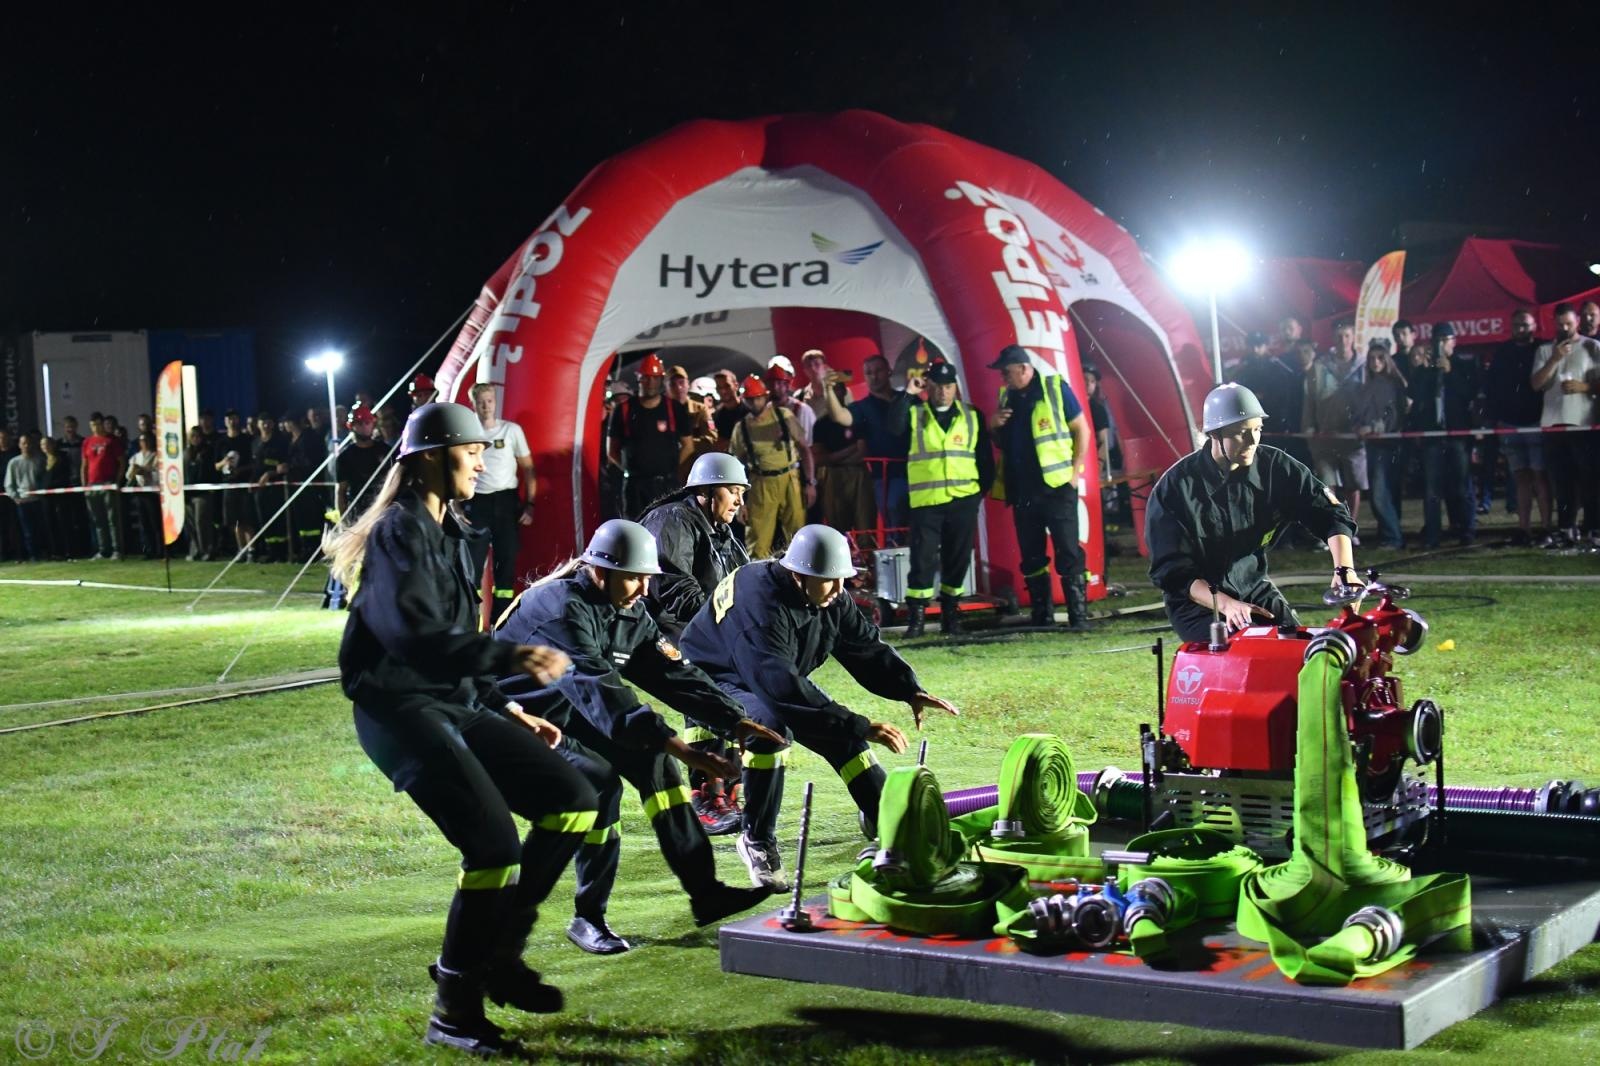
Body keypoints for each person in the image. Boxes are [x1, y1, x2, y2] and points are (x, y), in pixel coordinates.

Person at [324, 402, 596, 1056]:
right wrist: (510, 657)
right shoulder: (398, 531)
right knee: (494, 846)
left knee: (574, 800)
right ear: (428, 458)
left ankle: (499, 951)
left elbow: (454, 640)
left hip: (453, 701)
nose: (481, 462)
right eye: (471, 451)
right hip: (398, 711)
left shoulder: (456, 530)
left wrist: (507, 708)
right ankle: (454, 1008)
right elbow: (415, 638)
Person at [492, 519, 781, 955]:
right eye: (634, 578)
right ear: (599, 571)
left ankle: (706, 892)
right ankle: (588, 917)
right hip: (513, 723)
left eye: (648, 578)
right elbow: (602, 691)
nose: (644, 590)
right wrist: (683, 748)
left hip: (570, 712)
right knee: (600, 783)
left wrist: (735, 720)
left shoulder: (625, 606)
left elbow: (671, 672)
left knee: (656, 763)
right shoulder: (560, 611)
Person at [679, 524, 959, 890]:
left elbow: (863, 646)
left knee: (841, 735)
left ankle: (892, 826)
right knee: (770, 728)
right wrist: (860, 725)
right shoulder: (761, 606)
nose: (840, 589)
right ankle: (756, 838)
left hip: (766, 672)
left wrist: (908, 689)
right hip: (712, 676)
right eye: (830, 580)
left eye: (843, 578)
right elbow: (782, 690)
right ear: (798, 575)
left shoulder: (826, 593)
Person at [1146, 383, 1357, 641]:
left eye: (1257, 429)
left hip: (1254, 587)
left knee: (1301, 649)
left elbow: (1329, 514)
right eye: (1240, 433)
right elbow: (1173, 573)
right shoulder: (1175, 488)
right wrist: (1227, 605)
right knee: (1243, 651)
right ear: (1213, 434)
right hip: (1198, 603)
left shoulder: (1275, 468)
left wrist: (1345, 570)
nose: (1252, 441)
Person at [638, 452, 752, 833]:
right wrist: (724, 623)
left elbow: (740, 581)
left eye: (741, 493)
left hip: (702, 628)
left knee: (738, 688)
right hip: (665, 629)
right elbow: (673, 587)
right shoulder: (673, 520)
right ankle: (705, 797)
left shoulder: (719, 530)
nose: (739, 501)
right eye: (732, 491)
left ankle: (728, 791)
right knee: (706, 688)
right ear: (706, 491)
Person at [987, 344, 1092, 629]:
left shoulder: (1055, 388)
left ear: (1024, 368)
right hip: (1022, 490)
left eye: (1006, 372)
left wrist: (1074, 473)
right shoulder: (1006, 397)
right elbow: (1002, 443)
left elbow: (1081, 429)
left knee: (1068, 551)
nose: (1003, 378)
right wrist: (993, 426)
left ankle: (1078, 616)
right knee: (1031, 554)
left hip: (1057, 487)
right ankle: (1041, 616)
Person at [901, 361, 994, 637]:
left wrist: (977, 495)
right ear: (928, 386)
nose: (943, 391)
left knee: (958, 558)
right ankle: (917, 619)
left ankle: (950, 616)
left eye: (948, 386)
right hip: (927, 501)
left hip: (963, 499)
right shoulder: (915, 413)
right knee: (922, 559)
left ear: (955, 387)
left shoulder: (972, 415)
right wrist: (907, 394)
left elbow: (985, 459)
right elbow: (892, 427)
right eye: (938, 386)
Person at [1531, 303, 1600, 545]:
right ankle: (1566, 528)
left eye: (1569, 324)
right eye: (1560, 324)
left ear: (1577, 322)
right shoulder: (1544, 350)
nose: (1565, 328)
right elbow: (1536, 384)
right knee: (1561, 481)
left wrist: (1585, 387)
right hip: (1553, 424)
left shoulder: (1593, 347)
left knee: (1589, 479)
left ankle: (1593, 528)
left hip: (1583, 423)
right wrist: (1554, 358)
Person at [464, 383, 536, 610]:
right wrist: (456, 505)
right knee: (472, 566)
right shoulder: (468, 433)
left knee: (506, 566)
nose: (486, 406)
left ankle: (500, 621)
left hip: (507, 503)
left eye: (490, 401)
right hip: (477, 503)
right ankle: (471, 619)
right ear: (473, 404)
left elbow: (529, 469)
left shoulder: (511, 430)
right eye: (481, 402)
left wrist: (530, 504)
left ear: (495, 402)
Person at [1406, 323, 1476, 547]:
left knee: (1461, 486)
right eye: (1437, 340)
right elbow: (1414, 394)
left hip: (1457, 434)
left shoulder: (1464, 365)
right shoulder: (1425, 370)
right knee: (1432, 489)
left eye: (1446, 340)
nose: (1441, 345)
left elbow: (1469, 393)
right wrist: (1425, 369)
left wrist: (1450, 372)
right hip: (1433, 436)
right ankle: (1433, 534)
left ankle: (1466, 530)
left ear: (1454, 342)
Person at [1486, 310, 1552, 544]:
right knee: (1521, 477)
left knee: (1540, 476)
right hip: (1509, 422)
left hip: (1536, 421)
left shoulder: (1543, 348)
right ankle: (1524, 528)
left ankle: (1546, 527)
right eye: (1516, 325)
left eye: (1524, 324)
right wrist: (1495, 417)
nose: (1520, 329)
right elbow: (1493, 386)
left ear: (1534, 326)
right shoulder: (1503, 352)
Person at [607, 353, 694, 518]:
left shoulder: (674, 408)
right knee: (636, 528)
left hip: (667, 486)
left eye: (655, 378)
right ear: (639, 379)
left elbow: (688, 445)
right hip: (635, 488)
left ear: (661, 380)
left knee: (668, 527)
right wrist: (632, 470)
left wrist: (671, 468)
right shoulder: (624, 410)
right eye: (646, 378)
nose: (651, 383)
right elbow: (612, 451)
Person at [729, 373, 807, 558]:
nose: (754, 403)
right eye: (750, 399)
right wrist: (740, 501)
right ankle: (757, 574)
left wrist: (811, 483)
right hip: (760, 482)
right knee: (757, 541)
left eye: (757, 398)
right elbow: (735, 465)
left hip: (790, 478)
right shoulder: (741, 428)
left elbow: (805, 449)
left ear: (765, 396)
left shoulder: (784, 416)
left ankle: (800, 572)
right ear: (744, 400)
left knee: (798, 535)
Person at [1303, 320, 1367, 532]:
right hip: (1325, 435)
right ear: (1333, 338)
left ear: (1353, 337)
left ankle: (1350, 528)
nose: (1343, 341)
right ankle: (1332, 528)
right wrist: (1309, 426)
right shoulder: (1319, 366)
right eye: (1339, 336)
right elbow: (1309, 399)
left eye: (1347, 336)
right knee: (1327, 485)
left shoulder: (1364, 365)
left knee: (1352, 484)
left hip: (1353, 437)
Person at [1353, 340, 1409, 549]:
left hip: (1387, 444)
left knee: (1380, 492)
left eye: (1379, 358)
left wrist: (1374, 427)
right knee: (1382, 492)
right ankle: (1389, 534)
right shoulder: (1368, 386)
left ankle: (1393, 536)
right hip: (1372, 444)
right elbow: (1360, 413)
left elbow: (1393, 415)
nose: (1375, 362)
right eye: (1371, 359)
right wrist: (1359, 426)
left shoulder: (1392, 385)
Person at [851, 353, 912, 541]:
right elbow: (860, 445)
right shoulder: (860, 408)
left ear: (889, 371)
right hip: (886, 477)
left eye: (878, 371)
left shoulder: (910, 399)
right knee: (895, 524)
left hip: (919, 471)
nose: (874, 376)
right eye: (868, 373)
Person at [81, 414, 125, 560]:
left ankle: (116, 549)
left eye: (98, 424)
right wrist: (85, 485)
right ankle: (103, 550)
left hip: (108, 483)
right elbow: (84, 465)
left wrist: (117, 481)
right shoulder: (87, 442)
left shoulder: (112, 441)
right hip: (92, 484)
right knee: (98, 519)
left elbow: (121, 462)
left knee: (112, 518)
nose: (96, 428)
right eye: (93, 425)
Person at [252, 410, 291, 561]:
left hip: (276, 486)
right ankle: (271, 550)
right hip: (260, 488)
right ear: (258, 425)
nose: (266, 426)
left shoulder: (280, 441)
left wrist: (271, 473)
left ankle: (281, 551)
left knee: (278, 519)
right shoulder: (255, 442)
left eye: (268, 422)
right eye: (263, 423)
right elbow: (255, 465)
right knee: (264, 519)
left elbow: (284, 464)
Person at [4, 431, 47, 560]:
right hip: (23, 501)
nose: (26, 445)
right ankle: (32, 554)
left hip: (37, 500)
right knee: (27, 530)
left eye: (28, 443)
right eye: (24, 443)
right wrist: (16, 498)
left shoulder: (40, 460)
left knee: (40, 528)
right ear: (19, 445)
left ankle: (43, 552)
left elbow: (44, 479)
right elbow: (9, 484)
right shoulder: (14, 462)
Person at [125, 431, 163, 558]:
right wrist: (134, 470)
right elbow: (129, 475)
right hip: (140, 492)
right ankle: (148, 550)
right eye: (142, 440)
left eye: (146, 440)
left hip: (152, 492)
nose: (144, 443)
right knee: (144, 523)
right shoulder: (136, 457)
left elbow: (157, 474)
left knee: (155, 522)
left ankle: (160, 550)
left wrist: (144, 471)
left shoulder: (156, 456)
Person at [183, 426, 217, 560]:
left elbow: (210, 471)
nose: (195, 439)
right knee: (190, 524)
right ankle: (195, 550)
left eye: (198, 436)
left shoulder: (207, 451)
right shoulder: (185, 453)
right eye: (193, 436)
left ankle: (207, 550)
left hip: (203, 492)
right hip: (188, 493)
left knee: (201, 522)